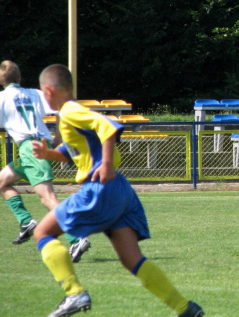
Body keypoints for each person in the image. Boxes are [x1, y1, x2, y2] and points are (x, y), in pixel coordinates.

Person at [32, 64, 204, 317]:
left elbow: (108, 127)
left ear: (48, 90)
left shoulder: (69, 111)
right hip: (120, 192)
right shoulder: (71, 114)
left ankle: (74, 293)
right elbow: (77, 154)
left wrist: (107, 165)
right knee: (131, 259)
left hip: (99, 188)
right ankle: (185, 308)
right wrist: (48, 154)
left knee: (42, 232)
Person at [0, 60, 91, 261]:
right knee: (2, 180)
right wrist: (58, 137)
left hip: (30, 148)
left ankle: (76, 238)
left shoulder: (2, 98)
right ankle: (26, 222)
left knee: (48, 199)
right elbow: (61, 107)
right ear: (19, 78)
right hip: (39, 145)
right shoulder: (34, 93)